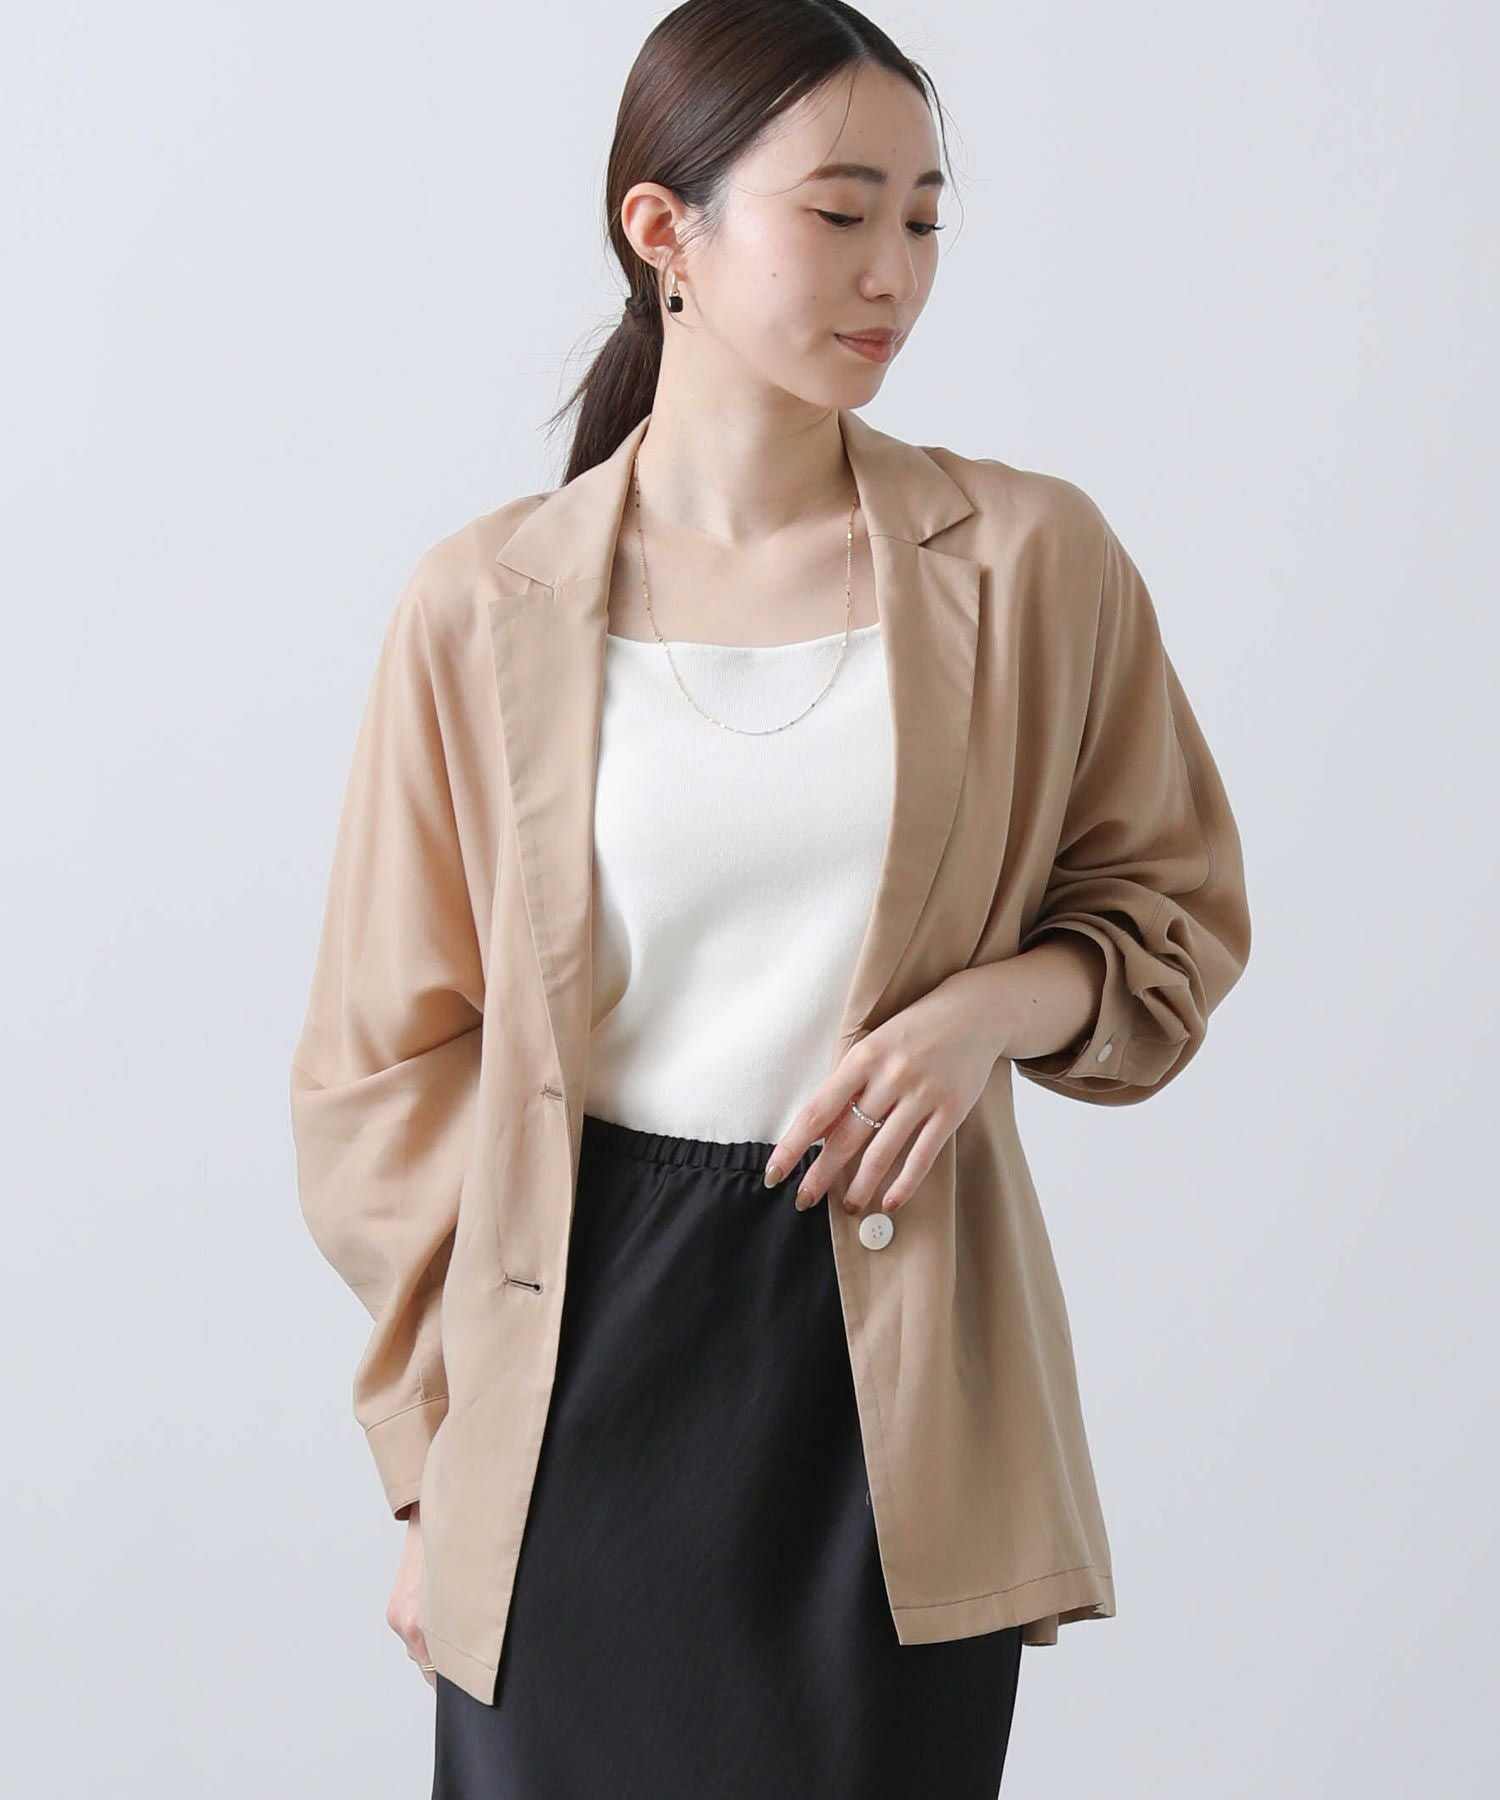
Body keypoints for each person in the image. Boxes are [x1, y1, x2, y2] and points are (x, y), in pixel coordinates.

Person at [289, 2, 1253, 1795]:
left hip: (894, 1388)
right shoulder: (480, 605)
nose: (896, 271)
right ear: (666, 229)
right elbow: (381, 1070)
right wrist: (436, 1476)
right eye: (841, 211)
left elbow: (1171, 918)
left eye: (926, 217)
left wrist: (986, 1014)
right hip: (573, 1368)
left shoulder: (1031, 562)